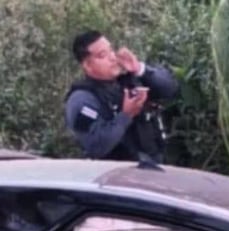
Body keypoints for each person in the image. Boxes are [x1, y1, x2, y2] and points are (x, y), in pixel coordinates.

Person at [64, 30, 180, 163]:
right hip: (115, 177)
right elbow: (96, 146)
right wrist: (126, 115)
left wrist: (139, 69)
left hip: (153, 167)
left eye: (111, 50)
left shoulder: (129, 81)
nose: (112, 57)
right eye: (103, 55)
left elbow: (171, 89)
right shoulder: (82, 99)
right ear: (88, 65)